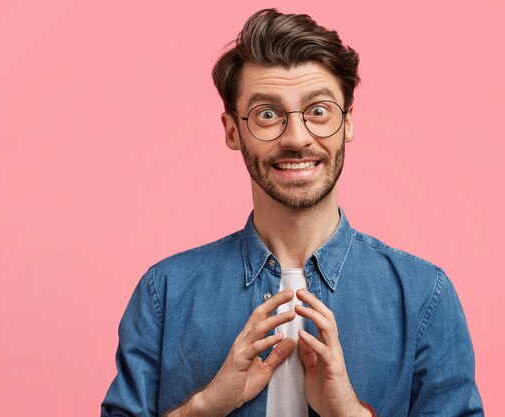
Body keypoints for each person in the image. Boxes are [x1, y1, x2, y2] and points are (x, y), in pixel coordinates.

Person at [101, 8, 484, 417]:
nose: (297, 138)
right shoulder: (165, 293)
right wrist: (205, 406)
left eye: (319, 111)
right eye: (268, 115)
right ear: (233, 131)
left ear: (347, 122)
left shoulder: (424, 295)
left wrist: (351, 414)